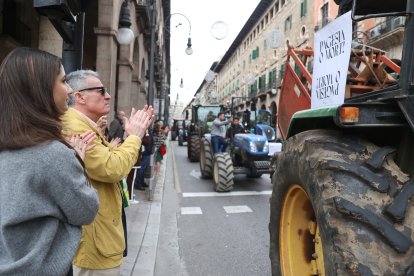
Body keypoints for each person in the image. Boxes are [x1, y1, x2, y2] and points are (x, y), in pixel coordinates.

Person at [0, 47, 99, 275]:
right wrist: (78, 162)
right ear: (41, 89)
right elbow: (86, 210)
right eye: (63, 81)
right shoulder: (53, 154)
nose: (70, 90)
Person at [62, 69, 154, 275]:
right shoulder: (75, 127)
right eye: (101, 91)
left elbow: (107, 159)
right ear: (80, 97)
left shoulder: (85, 125)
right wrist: (134, 137)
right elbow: (113, 168)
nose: (108, 96)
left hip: (100, 234)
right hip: (94, 242)